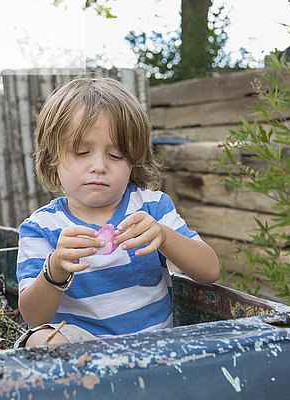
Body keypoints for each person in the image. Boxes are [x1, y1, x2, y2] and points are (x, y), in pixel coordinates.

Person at [15, 76, 220, 347]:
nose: (99, 166)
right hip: (82, 349)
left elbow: (209, 271)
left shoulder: (152, 208)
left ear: (133, 161)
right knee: (40, 340)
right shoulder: (42, 227)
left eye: (116, 156)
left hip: (154, 344)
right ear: (53, 159)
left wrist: (165, 237)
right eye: (82, 151)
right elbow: (33, 317)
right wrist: (55, 268)